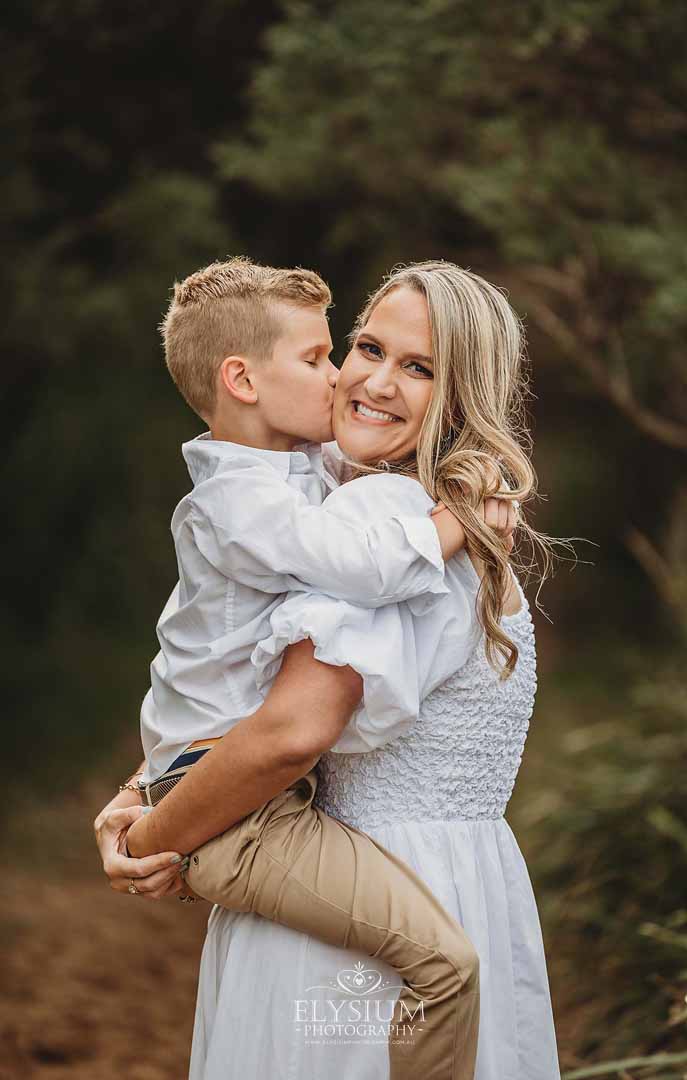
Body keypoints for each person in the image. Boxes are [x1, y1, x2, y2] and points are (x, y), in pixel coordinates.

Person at [98, 260, 560, 1078]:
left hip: (349, 930)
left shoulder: (379, 512)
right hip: (463, 886)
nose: (372, 381)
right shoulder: (398, 511)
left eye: (418, 367)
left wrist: (153, 836)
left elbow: (291, 729)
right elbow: (249, 691)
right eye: (365, 348)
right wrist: (149, 790)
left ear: (462, 393)